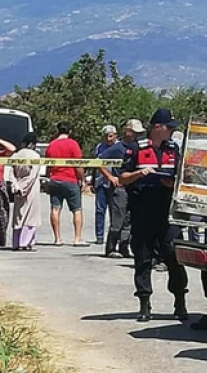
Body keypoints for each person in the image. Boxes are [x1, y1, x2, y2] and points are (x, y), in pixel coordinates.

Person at [118, 108, 190, 322]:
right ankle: (144, 303)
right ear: (157, 127)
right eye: (169, 127)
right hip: (143, 210)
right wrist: (140, 173)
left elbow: (182, 178)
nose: (171, 131)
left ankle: (180, 301)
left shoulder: (174, 149)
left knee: (174, 256)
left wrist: (172, 182)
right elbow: (122, 179)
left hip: (167, 211)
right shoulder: (135, 149)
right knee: (143, 257)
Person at [44, 122, 85, 245]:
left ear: (58, 131)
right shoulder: (73, 144)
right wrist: (82, 179)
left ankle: (57, 239)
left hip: (55, 179)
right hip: (70, 179)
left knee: (55, 209)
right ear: (70, 132)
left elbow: (49, 165)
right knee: (76, 210)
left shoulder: (51, 145)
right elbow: (78, 164)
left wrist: (48, 178)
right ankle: (77, 239)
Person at [93, 125, 129, 256]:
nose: (108, 138)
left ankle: (124, 247)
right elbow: (96, 162)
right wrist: (105, 178)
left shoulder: (124, 146)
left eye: (111, 135)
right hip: (103, 183)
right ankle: (103, 240)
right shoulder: (100, 147)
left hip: (122, 185)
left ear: (115, 135)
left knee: (125, 218)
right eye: (106, 136)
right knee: (102, 211)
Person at [9, 133, 41, 251]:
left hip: (18, 185)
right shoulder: (35, 156)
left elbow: (11, 173)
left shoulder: (16, 155)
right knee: (31, 215)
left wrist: (17, 186)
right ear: (33, 144)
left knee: (18, 215)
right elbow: (33, 175)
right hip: (31, 188)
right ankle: (26, 242)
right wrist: (25, 188)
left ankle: (16, 242)